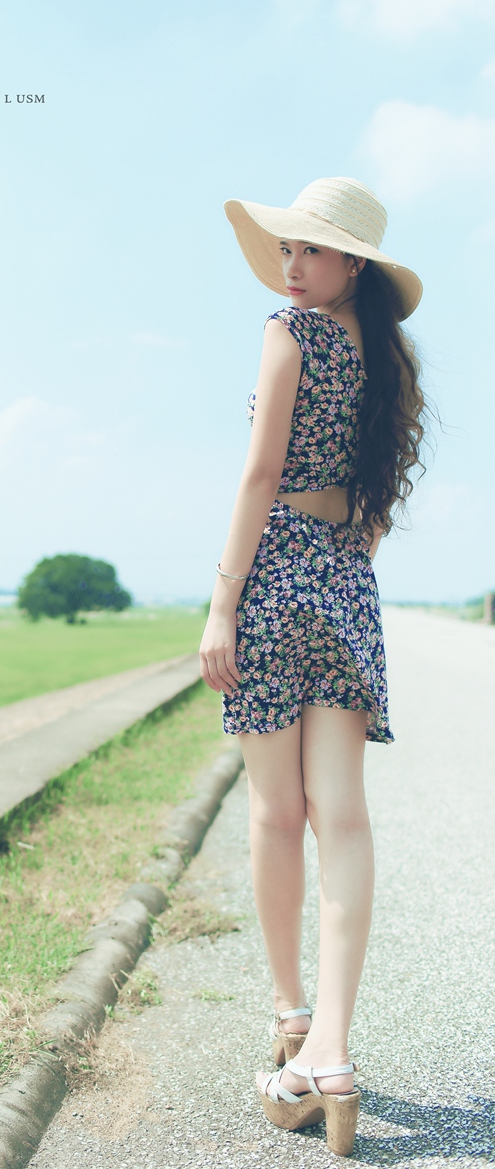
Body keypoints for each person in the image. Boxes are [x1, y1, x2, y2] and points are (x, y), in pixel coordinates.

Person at [199, 177, 427, 1157]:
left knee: (273, 812)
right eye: (288, 249)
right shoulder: (386, 356)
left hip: (274, 572)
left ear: (353, 265)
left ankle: (291, 1014)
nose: (292, 266)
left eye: (312, 250)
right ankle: (329, 1051)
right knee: (342, 815)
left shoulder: (287, 333)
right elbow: (376, 499)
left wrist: (222, 602)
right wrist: (341, 564)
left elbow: (260, 472)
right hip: (343, 580)